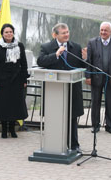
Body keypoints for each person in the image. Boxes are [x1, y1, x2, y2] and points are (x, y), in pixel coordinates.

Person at [37, 23, 85, 153]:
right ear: (55, 35)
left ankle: (74, 145)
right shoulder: (47, 47)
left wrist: (85, 58)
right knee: (55, 118)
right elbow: (40, 61)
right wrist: (56, 54)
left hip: (72, 90)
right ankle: (54, 145)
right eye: (63, 33)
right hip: (54, 92)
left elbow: (81, 66)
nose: (67, 35)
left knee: (72, 118)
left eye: (67, 32)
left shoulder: (75, 47)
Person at [85, 22, 111, 134]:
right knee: (95, 102)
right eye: (101, 30)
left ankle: (109, 125)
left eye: (105, 30)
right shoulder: (92, 42)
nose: (103, 32)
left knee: (110, 102)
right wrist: (88, 76)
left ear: (110, 31)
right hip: (96, 78)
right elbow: (89, 61)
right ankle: (95, 125)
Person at [0, 24, 28, 138]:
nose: (8, 34)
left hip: (16, 81)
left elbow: (24, 64)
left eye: (10, 32)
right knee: (4, 106)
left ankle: (12, 130)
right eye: (6, 32)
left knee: (14, 106)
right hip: (2, 81)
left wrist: (24, 79)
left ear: (13, 33)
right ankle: (3, 130)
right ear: (2, 34)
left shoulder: (20, 46)